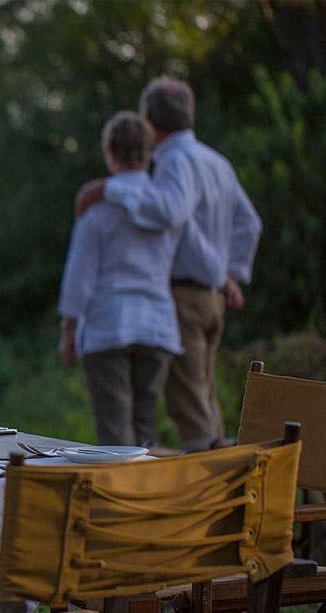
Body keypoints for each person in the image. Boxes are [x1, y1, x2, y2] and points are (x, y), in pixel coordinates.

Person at [74, 77, 262, 452]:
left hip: (182, 297)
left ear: (149, 121)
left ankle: (211, 501)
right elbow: (249, 223)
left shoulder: (174, 162)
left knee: (190, 408)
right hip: (212, 298)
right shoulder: (216, 161)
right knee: (204, 398)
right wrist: (229, 274)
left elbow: (169, 212)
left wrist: (106, 189)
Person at [59, 111, 182, 447]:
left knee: (114, 427)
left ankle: (117, 498)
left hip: (108, 324)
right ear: (148, 154)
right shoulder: (167, 206)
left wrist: (69, 331)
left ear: (109, 154)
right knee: (145, 427)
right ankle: (146, 496)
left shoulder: (96, 210)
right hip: (156, 324)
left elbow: (80, 275)